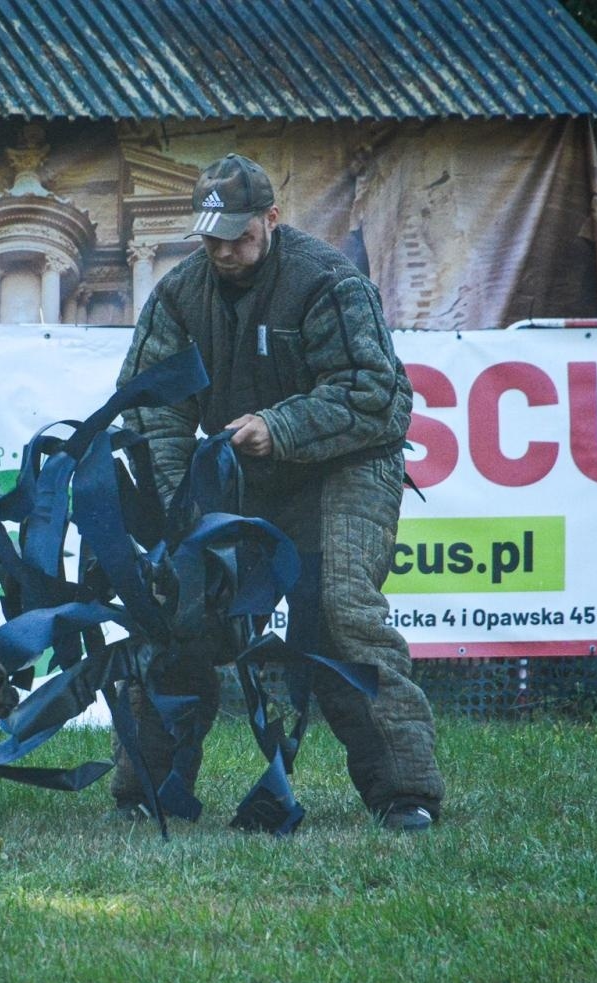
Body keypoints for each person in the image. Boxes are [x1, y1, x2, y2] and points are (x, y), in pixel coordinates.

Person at [108, 153, 444, 831]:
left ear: (272, 219)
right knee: (177, 599)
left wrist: (280, 426)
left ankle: (404, 791)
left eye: (242, 235)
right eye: (213, 239)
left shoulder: (326, 281)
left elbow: (377, 396)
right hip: (240, 471)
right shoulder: (179, 296)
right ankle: (147, 785)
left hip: (346, 464)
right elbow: (153, 409)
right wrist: (184, 515)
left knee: (338, 607)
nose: (227, 251)